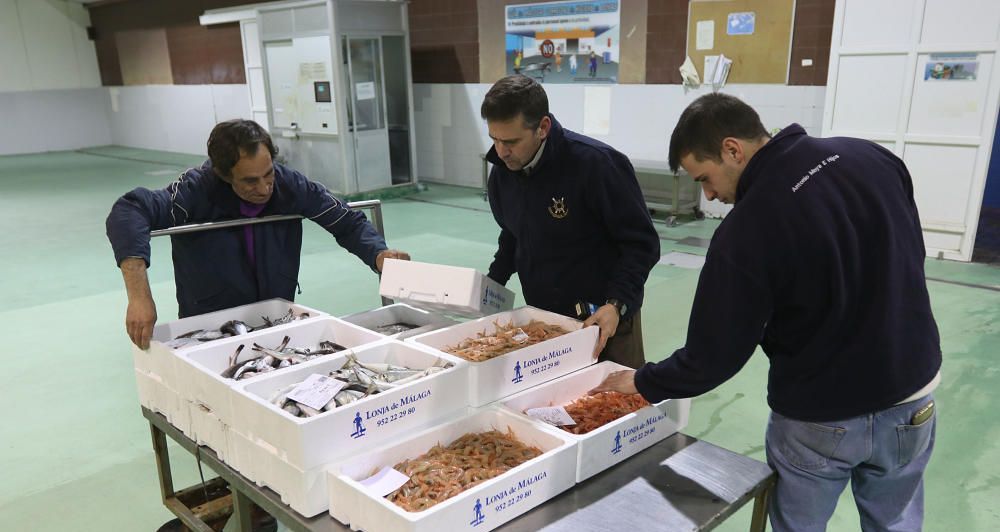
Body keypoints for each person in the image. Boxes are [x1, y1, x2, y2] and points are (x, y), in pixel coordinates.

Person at [591, 93, 941, 532]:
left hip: (820, 416)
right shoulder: (873, 159)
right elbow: (907, 253)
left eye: (705, 177)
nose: (709, 195)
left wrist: (641, 383)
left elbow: (710, 358)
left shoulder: (748, 230)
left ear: (733, 148)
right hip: (912, 396)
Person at [106, 119, 409, 350]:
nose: (264, 189)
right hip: (211, 324)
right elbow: (129, 210)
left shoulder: (289, 186)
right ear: (223, 174)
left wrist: (378, 254)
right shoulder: (196, 191)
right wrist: (139, 296)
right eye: (249, 181)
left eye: (269, 174)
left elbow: (347, 222)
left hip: (275, 317)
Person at [480, 75, 660, 368]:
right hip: (545, 323)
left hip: (602, 322)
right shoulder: (503, 173)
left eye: (511, 141)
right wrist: (490, 286)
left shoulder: (596, 165)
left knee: (609, 404)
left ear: (543, 128)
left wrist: (616, 304)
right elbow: (514, 234)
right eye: (494, 140)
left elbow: (641, 245)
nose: (501, 152)